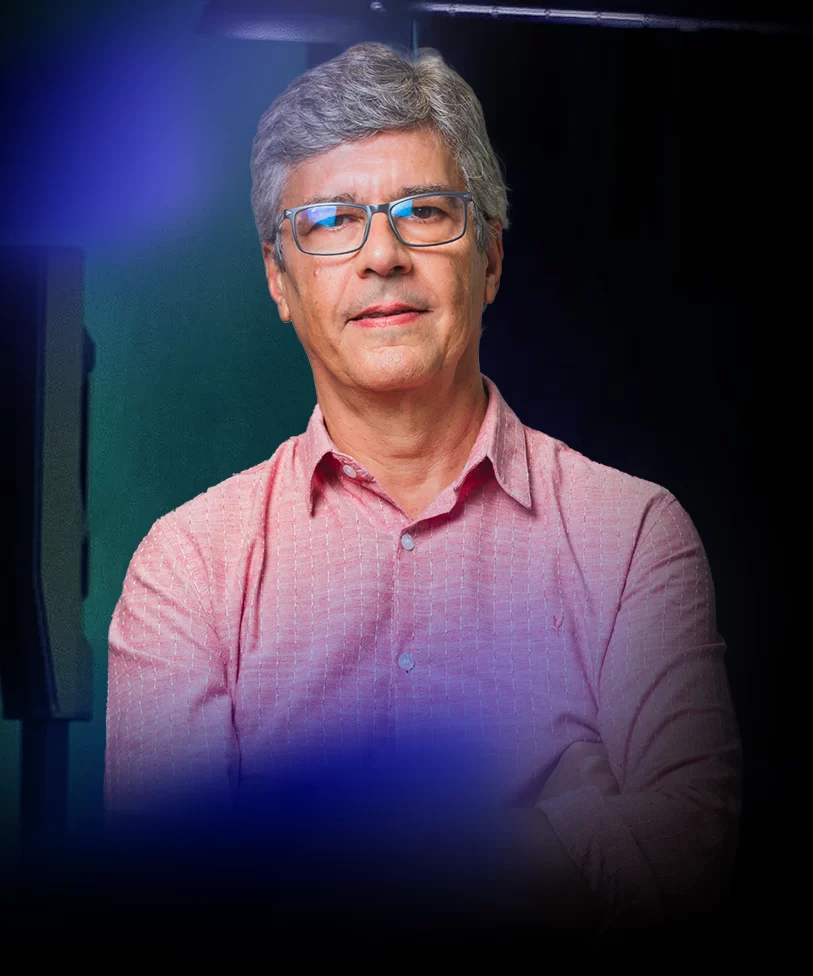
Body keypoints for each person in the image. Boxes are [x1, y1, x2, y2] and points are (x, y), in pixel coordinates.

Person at [104, 41, 741, 946]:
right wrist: (556, 838)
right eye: (331, 220)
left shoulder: (632, 535)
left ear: (490, 260)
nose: (383, 255)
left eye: (425, 212)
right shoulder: (187, 567)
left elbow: (690, 853)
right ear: (279, 280)